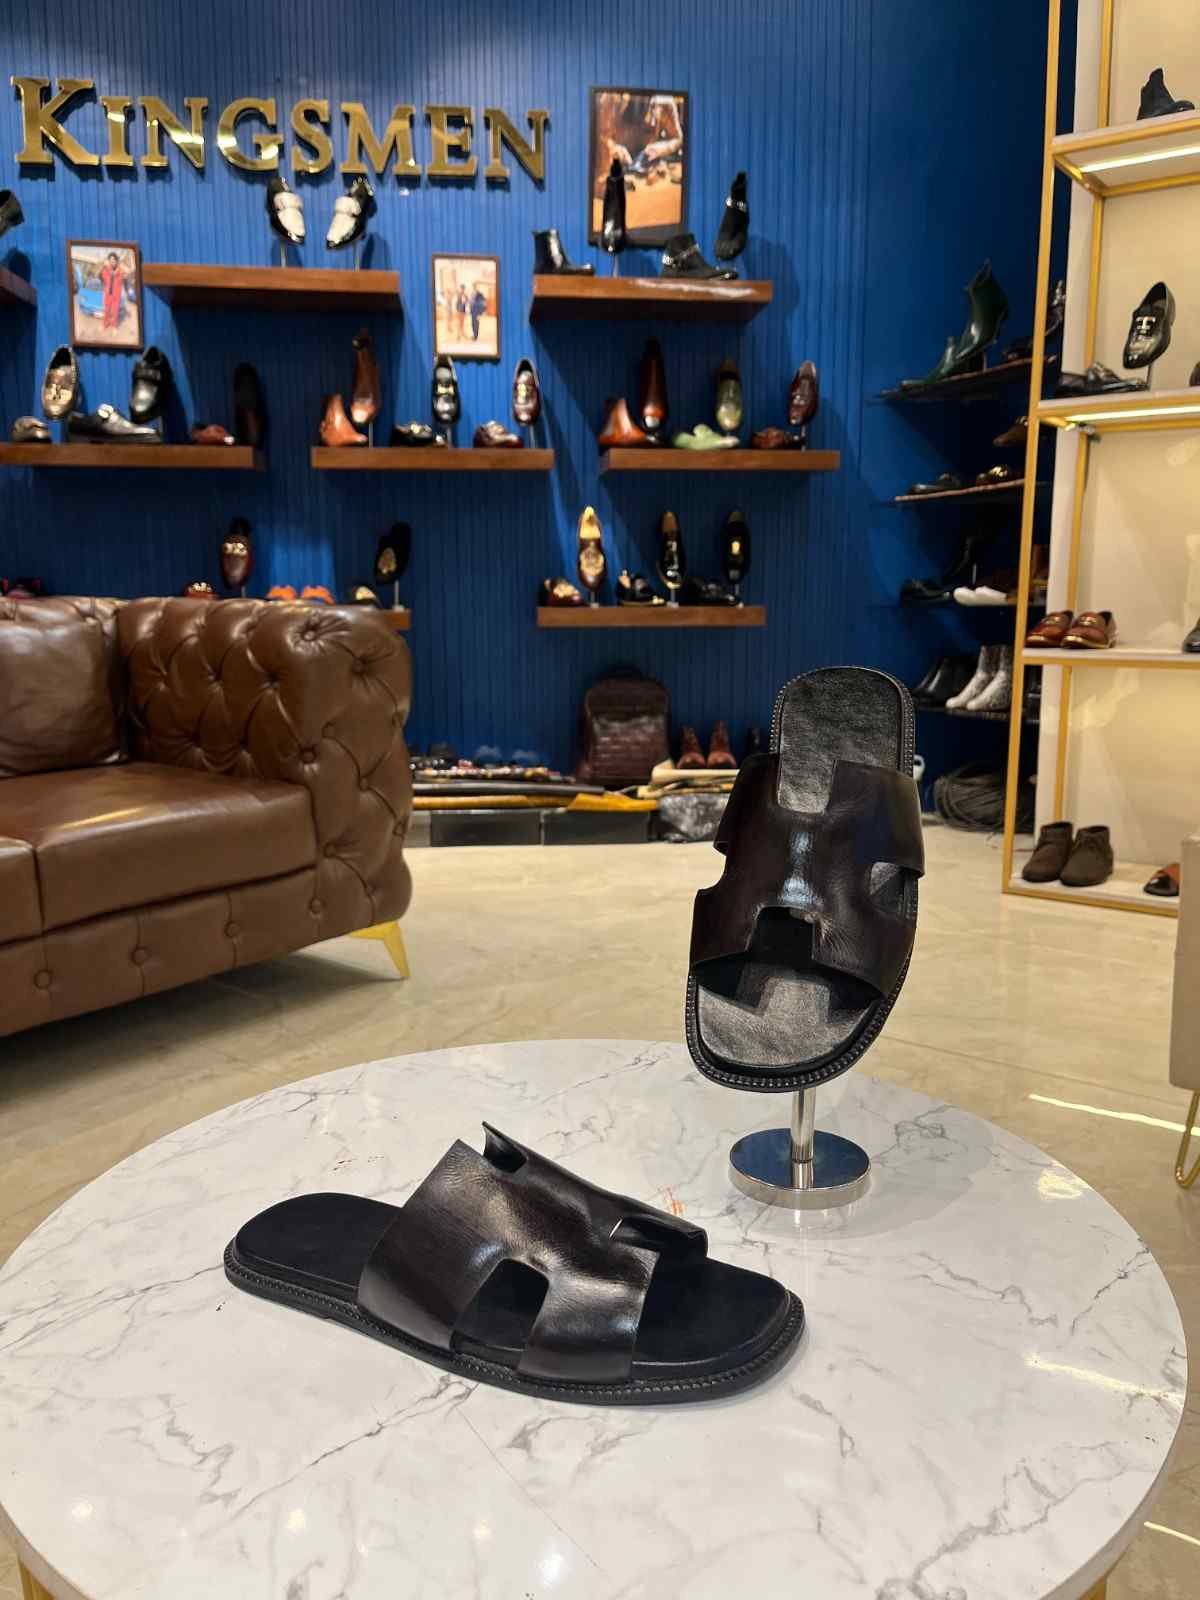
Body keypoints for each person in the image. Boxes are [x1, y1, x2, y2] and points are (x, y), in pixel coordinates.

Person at [100, 250, 125, 332]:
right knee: (106, 311)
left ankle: (114, 326)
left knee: (115, 312)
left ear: (116, 261)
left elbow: (125, 275)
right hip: (108, 295)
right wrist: (103, 266)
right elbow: (101, 277)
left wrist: (119, 269)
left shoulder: (121, 271)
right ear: (109, 261)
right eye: (110, 260)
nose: (112, 262)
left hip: (116, 295)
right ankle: (105, 324)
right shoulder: (105, 270)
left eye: (114, 260)